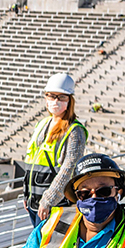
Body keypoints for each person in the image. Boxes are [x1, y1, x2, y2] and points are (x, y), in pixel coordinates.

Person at [22, 73, 88, 227]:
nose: (55, 101)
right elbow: (32, 161)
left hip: (53, 205)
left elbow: (68, 170)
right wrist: (27, 194)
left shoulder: (74, 131)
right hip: (34, 201)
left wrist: (48, 200)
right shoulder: (43, 124)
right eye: (51, 96)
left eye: (61, 97)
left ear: (70, 100)